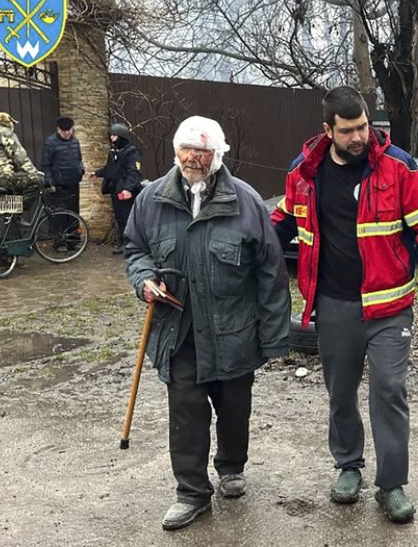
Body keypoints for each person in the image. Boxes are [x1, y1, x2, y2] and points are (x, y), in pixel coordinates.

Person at [271, 86, 418, 524]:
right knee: (341, 394)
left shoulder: (398, 167)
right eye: (348, 130)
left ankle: (391, 485)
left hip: (390, 307)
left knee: (389, 390)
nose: (359, 137)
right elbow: (279, 224)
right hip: (334, 306)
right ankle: (348, 466)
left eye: (364, 127)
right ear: (328, 130)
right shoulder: (304, 173)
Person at [124, 116, 291, 531]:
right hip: (178, 332)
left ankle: (231, 466)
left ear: (218, 155)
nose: (193, 157)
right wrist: (144, 279)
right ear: (176, 150)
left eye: (203, 150)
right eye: (187, 149)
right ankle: (191, 492)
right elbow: (135, 248)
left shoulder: (247, 202)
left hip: (233, 332)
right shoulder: (152, 201)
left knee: (235, 409)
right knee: (186, 414)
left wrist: (272, 339)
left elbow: (270, 274)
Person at [91, 123, 143, 255]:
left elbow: (133, 173)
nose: (112, 138)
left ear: (121, 136)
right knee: (120, 218)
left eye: (114, 135)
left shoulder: (132, 152)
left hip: (127, 191)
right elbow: (110, 169)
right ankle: (123, 243)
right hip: (116, 189)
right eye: (111, 135)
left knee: (128, 218)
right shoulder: (114, 152)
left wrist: (127, 189)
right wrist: (97, 173)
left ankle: (131, 245)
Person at [0, 112, 44, 196]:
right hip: (1, 177)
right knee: (38, 180)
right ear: (8, 123)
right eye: (12, 123)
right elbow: (20, 157)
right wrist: (34, 173)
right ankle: (25, 207)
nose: (13, 126)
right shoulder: (5, 132)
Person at [41, 116, 85, 216]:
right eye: (63, 130)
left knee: (74, 213)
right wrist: (50, 183)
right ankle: (60, 232)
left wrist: (81, 170)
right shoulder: (51, 142)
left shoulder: (75, 142)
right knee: (60, 215)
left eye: (69, 130)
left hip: (73, 183)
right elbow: (45, 164)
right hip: (59, 186)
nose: (67, 133)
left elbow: (79, 159)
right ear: (58, 129)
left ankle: (74, 231)